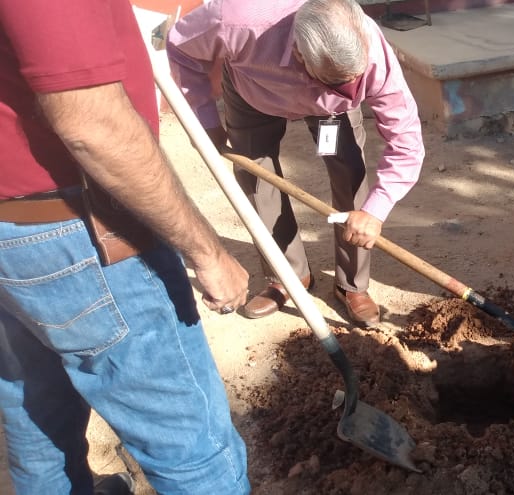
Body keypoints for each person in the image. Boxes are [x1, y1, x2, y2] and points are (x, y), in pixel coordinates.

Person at [0, 0, 250, 493]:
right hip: (74, 234)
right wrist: (209, 253)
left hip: (10, 235)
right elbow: (93, 126)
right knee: (188, 445)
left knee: (34, 409)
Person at [166, 0, 425, 326]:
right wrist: (205, 121)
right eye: (336, 82)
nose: (353, 90)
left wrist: (376, 211)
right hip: (253, 91)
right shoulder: (236, 20)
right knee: (257, 179)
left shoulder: (372, 54)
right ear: (299, 56)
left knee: (351, 177)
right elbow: (180, 45)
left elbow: (407, 143)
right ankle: (287, 276)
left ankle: (352, 286)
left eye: (354, 82)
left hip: (332, 111)